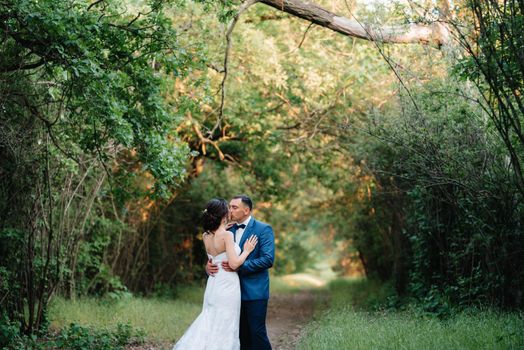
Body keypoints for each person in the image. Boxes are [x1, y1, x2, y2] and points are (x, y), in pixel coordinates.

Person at [173, 198, 258, 350]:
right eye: (228, 208)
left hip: (213, 283)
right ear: (224, 214)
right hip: (227, 286)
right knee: (226, 324)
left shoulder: (206, 235)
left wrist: (224, 226)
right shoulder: (227, 236)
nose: (230, 211)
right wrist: (246, 251)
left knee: (211, 321)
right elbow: (233, 264)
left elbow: (213, 259)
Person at [207, 195, 275, 350]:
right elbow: (216, 255)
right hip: (229, 292)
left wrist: (239, 266)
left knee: (257, 333)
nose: (230, 210)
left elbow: (267, 259)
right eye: (229, 207)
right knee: (239, 334)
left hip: (254, 291)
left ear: (246, 210)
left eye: (234, 207)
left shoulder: (263, 229)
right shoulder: (226, 230)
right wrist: (208, 267)